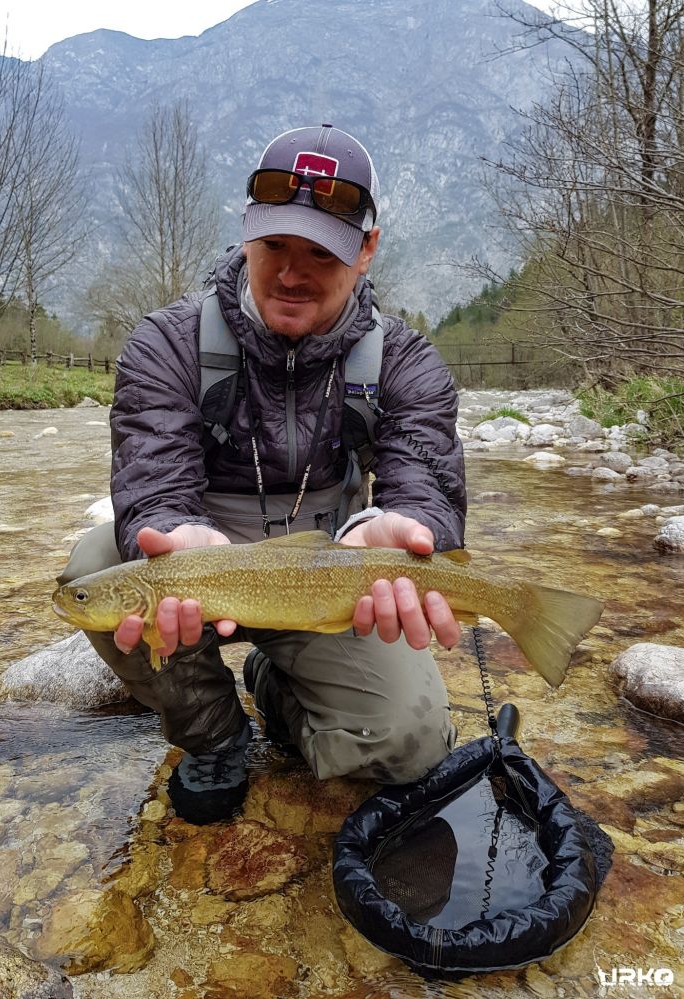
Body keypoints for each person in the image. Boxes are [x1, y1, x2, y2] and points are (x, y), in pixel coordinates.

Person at [58, 123, 467, 825]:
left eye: (321, 252)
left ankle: (277, 689)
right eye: (275, 244)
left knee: (414, 744)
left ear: (365, 251)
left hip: (327, 583)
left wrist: (411, 529)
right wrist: (171, 530)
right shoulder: (167, 343)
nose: (290, 272)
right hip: (201, 575)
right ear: (246, 233)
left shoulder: (403, 363)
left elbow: (422, 478)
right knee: (98, 559)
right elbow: (150, 478)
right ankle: (215, 737)